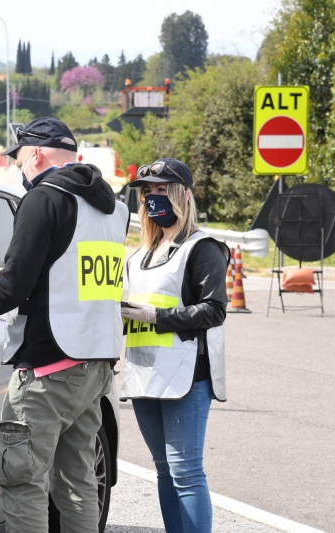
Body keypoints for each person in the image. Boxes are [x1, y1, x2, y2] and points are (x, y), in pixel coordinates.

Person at [0, 117, 129, 533]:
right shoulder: (113, 209)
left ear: (35, 154)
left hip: (48, 366)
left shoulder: (44, 200)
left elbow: (12, 289)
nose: (19, 169)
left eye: (19, 160)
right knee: (78, 482)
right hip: (95, 364)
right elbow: (67, 277)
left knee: (22, 479)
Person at [120, 158, 230, 533]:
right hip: (143, 373)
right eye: (147, 191)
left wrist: (157, 317)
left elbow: (214, 311)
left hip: (187, 376)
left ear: (182, 194)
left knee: (185, 470)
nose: (153, 197)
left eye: (162, 189)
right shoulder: (137, 256)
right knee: (164, 470)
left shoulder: (202, 248)